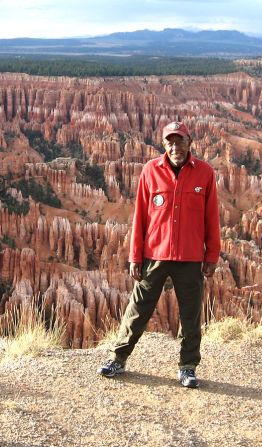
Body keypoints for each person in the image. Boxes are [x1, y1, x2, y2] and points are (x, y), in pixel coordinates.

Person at [97, 121, 220, 388]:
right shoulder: (150, 171)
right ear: (164, 144)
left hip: (190, 257)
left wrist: (212, 256)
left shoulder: (205, 173)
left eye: (180, 141)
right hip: (155, 254)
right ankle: (118, 358)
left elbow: (212, 218)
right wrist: (135, 256)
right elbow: (140, 216)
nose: (175, 147)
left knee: (190, 314)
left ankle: (188, 367)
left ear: (189, 142)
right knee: (138, 309)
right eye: (170, 142)